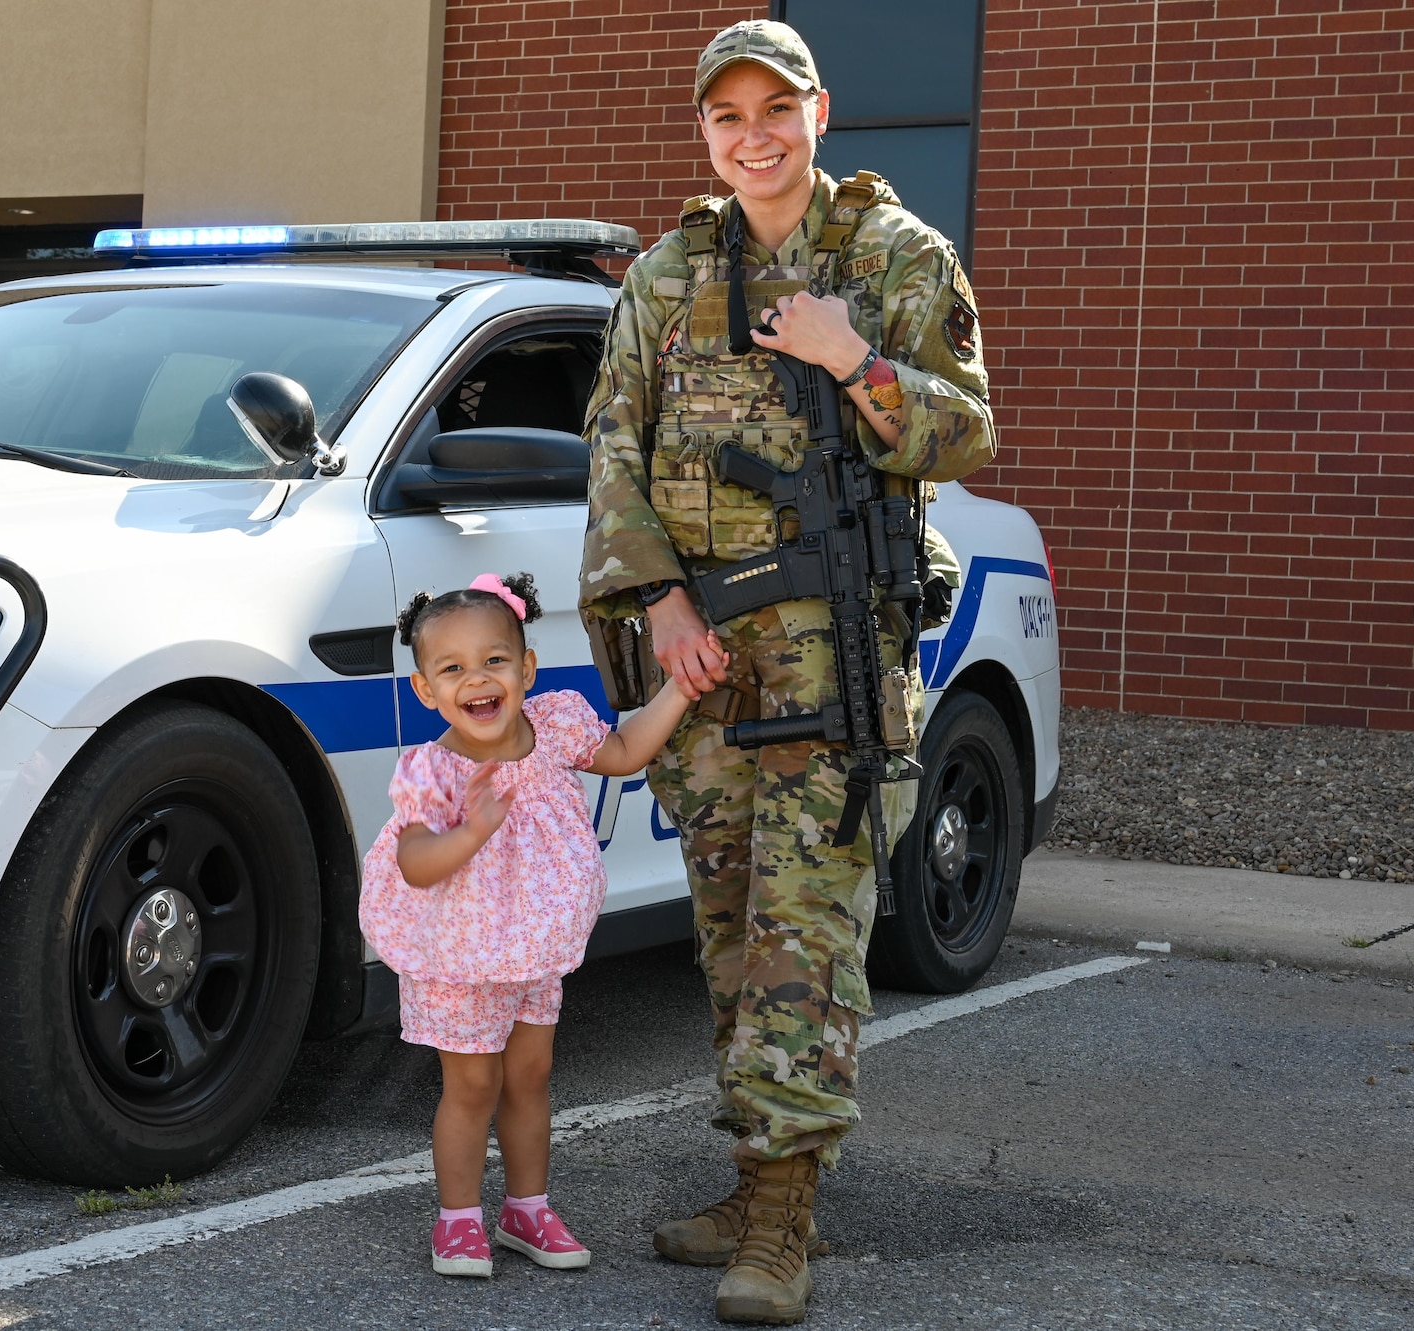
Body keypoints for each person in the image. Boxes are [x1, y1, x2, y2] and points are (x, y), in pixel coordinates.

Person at [578, 18, 997, 1325]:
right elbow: (614, 441)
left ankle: (781, 1225)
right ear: (705, 131)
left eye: (773, 109)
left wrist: (851, 357)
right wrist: (660, 595)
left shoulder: (894, 257)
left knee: (804, 937)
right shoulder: (667, 273)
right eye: (725, 116)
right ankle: (757, 1173)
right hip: (705, 661)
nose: (749, 135)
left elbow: (969, 429)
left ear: (820, 111)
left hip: (837, 657)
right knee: (724, 930)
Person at [360, 572, 722, 1279]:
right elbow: (415, 862)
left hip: (533, 950)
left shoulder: (553, 727)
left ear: (526, 667)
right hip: (459, 958)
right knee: (472, 1086)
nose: (477, 680)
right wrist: (469, 832)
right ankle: (458, 1219)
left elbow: (623, 752)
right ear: (426, 689)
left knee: (531, 1075)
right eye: (453, 668)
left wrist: (680, 686)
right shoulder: (433, 770)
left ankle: (527, 1207)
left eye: (495, 660)